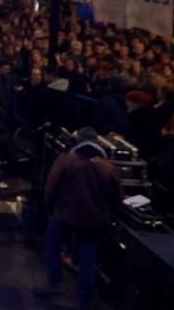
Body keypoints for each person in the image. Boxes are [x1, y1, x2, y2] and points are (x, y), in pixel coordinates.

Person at [37, 127, 123, 308]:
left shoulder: (67, 160)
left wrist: (50, 209)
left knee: (52, 243)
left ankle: (55, 283)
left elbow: (51, 188)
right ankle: (85, 297)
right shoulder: (109, 167)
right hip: (94, 219)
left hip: (65, 214)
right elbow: (117, 197)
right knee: (88, 255)